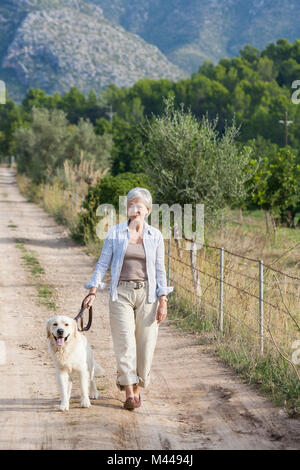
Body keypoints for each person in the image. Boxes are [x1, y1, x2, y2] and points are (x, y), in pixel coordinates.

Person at [83, 187, 173, 410]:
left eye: (139, 205)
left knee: (145, 346)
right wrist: (93, 290)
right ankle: (129, 394)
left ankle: (138, 387)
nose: (134, 209)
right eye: (131, 205)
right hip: (120, 293)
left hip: (148, 295)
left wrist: (163, 299)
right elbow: (103, 263)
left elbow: (160, 270)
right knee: (125, 344)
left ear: (148, 210)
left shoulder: (156, 236)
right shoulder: (115, 233)